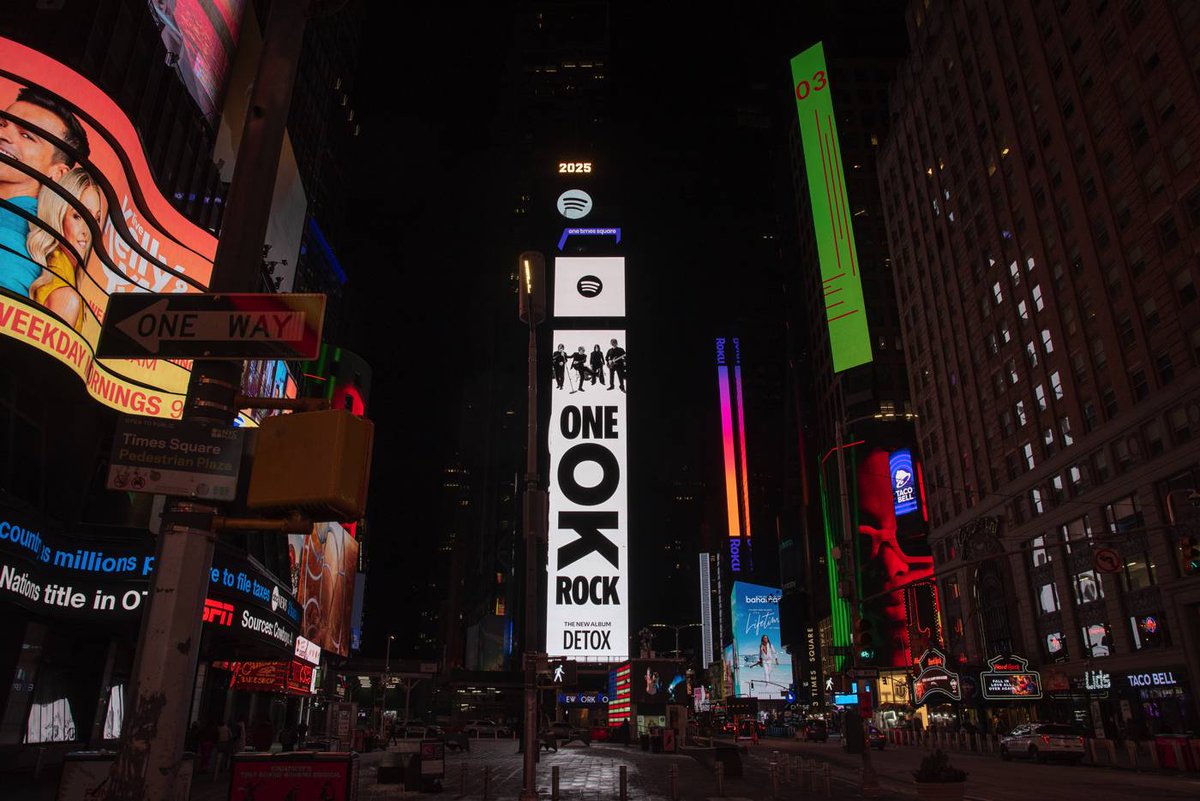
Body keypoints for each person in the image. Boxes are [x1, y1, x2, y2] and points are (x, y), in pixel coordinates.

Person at [0, 87, 89, 297]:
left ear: (57, 173)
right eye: (2, 123)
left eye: (27, 135)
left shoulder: (20, 233)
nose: (3, 134)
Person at [26, 167, 104, 330]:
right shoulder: (67, 298)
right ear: (58, 214)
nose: (87, 231)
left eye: (95, 220)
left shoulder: (62, 281)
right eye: (78, 216)